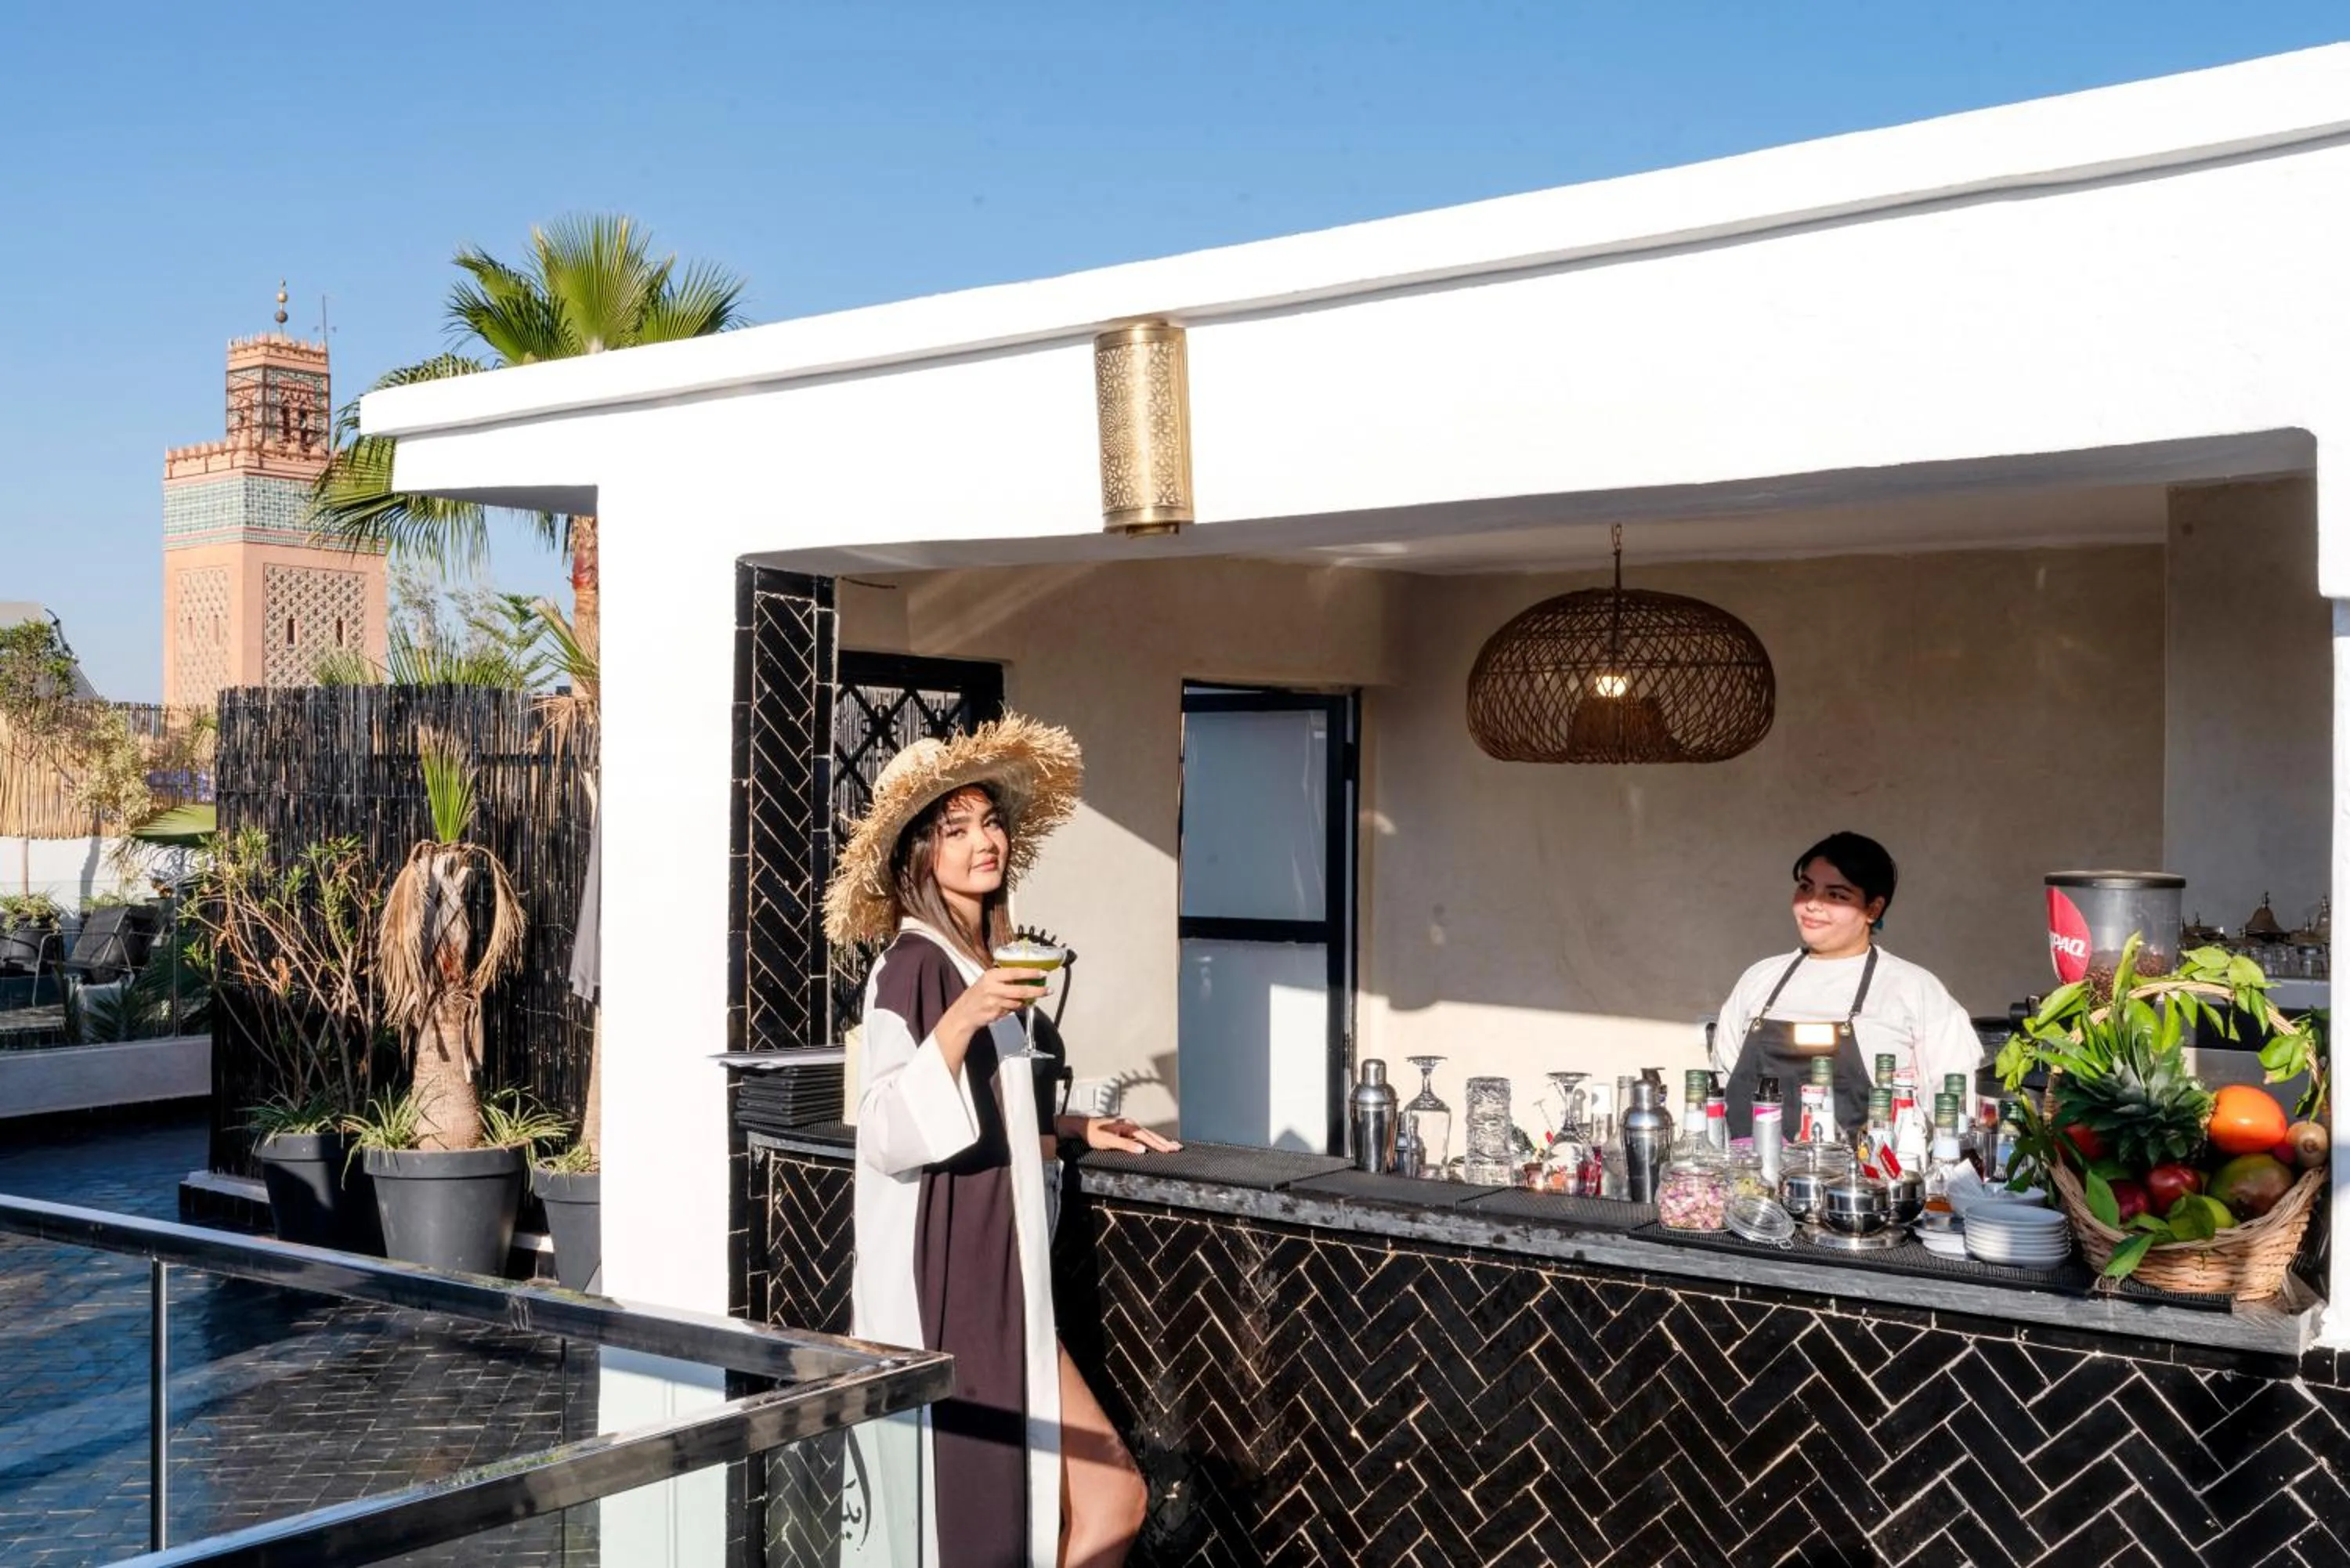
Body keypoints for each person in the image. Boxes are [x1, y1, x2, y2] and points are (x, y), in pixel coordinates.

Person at [822, 714, 1177, 1568]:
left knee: (1112, 1499)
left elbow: (985, 1105)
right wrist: (964, 1016)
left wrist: (1067, 1127)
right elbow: (883, 1128)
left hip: (1007, 1282)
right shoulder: (912, 967)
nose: (983, 839)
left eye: (989, 820)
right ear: (918, 853)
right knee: (983, 1526)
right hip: (953, 1287)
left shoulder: (988, 955)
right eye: (955, 828)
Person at [1715, 831, 1983, 1140]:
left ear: (1873, 909)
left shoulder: (1914, 990)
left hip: (1867, 1184)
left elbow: (1956, 1108)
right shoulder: (1759, 981)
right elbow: (1722, 1083)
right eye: (1806, 888)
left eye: (1836, 895)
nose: (1813, 905)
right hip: (1750, 1181)